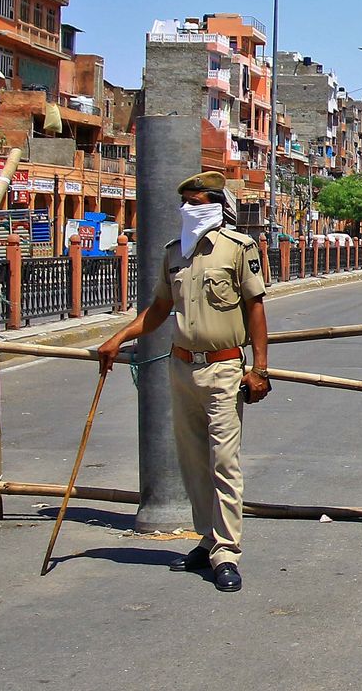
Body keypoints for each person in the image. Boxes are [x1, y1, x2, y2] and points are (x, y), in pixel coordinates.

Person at [97, 171, 271, 592]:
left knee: (224, 463)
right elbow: (159, 308)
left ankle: (227, 552)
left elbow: (256, 308)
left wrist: (260, 368)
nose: (190, 210)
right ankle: (207, 539)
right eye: (186, 203)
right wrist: (119, 337)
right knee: (192, 461)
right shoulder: (175, 252)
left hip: (225, 368)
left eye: (198, 202)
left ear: (216, 204)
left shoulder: (237, 248)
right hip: (182, 369)